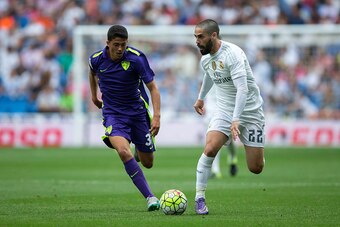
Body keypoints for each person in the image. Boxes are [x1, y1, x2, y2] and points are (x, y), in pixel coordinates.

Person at [193, 19, 265, 215]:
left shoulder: (233, 54)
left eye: (201, 37)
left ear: (213, 36)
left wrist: (237, 119)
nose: (197, 41)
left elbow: (243, 88)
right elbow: (209, 74)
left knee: (256, 167)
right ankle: (199, 198)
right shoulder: (205, 58)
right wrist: (201, 99)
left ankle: (255, 151)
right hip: (224, 110)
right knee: (210, 148)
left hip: (250, 111)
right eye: (195, 37)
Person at [88, 25, 161, 211]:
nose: (120, 49)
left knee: (148, 163)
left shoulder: (136, 58)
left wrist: (157, 117)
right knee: (123, 152)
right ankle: (150, 197)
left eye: (123, 45)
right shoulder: (96, 60)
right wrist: (93, 96)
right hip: (113, 114)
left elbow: (153, 88)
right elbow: (91, 72)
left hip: (137, 114)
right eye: (116, 45)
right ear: (108, 43)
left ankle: (140, 146)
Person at [204, 86, 238, 179]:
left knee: (229, 140)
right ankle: (215, 170)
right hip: (210, 112)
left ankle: (232, 157)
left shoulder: (227, 73)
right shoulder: (207, 72)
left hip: (224, 109)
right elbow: (203, 86)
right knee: (212, 142)